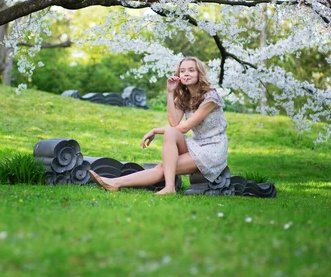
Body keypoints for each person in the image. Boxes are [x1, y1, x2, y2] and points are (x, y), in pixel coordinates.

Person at [88, 56, 228, 195]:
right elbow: (174, 124)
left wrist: (156, 130)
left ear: (199, 73)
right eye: (182, 71)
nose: (186, 74)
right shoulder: (185, 97)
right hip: (197, 145)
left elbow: (185, 128)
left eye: (191, 70)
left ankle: (164, 187)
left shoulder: (211, 97)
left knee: (165, 166)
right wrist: (170, 92)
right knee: (171, 134)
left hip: (213, 149)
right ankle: (116, 183)